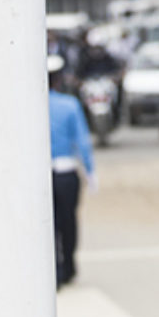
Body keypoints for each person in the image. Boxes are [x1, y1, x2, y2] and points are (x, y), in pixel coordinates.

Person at [47, 65, 96, 288]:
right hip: (66, 173)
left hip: (41, 176)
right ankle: (68, 266)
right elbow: (82, 141)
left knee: (49, 224)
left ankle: (54, 267)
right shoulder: (69, 104)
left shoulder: (25, 106)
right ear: (57, 80)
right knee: (68, 221)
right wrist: (90, 171)